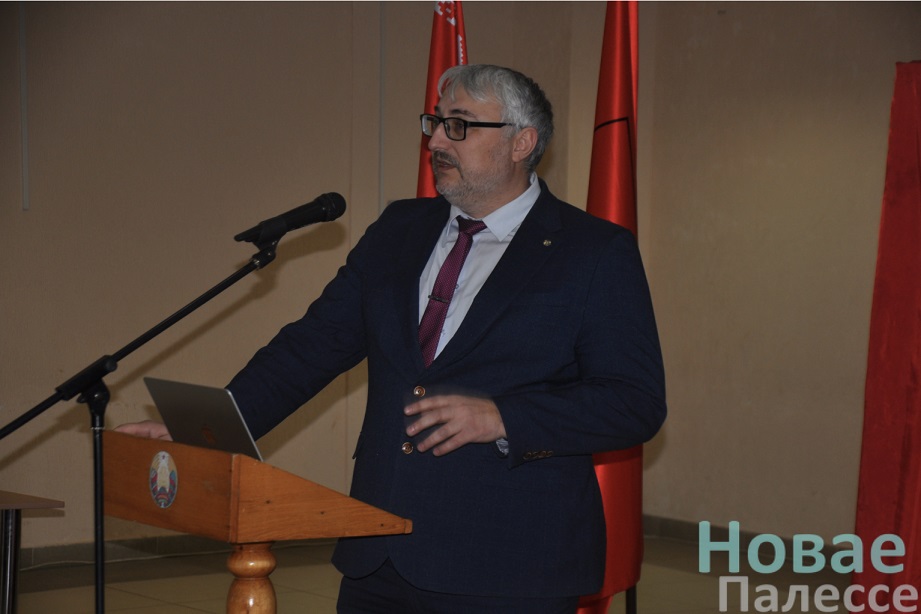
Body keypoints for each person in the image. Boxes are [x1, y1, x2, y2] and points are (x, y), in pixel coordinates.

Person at [121, 64, 666, 613]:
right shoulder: (398, 230)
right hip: (378, 552)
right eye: (434, 122)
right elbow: (311, 346)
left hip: (510, 560)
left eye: (459, 125)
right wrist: (205, 430)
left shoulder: (592, 251)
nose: (435, 141)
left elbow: (633, 401)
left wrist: (504, 417)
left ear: (521, 142)